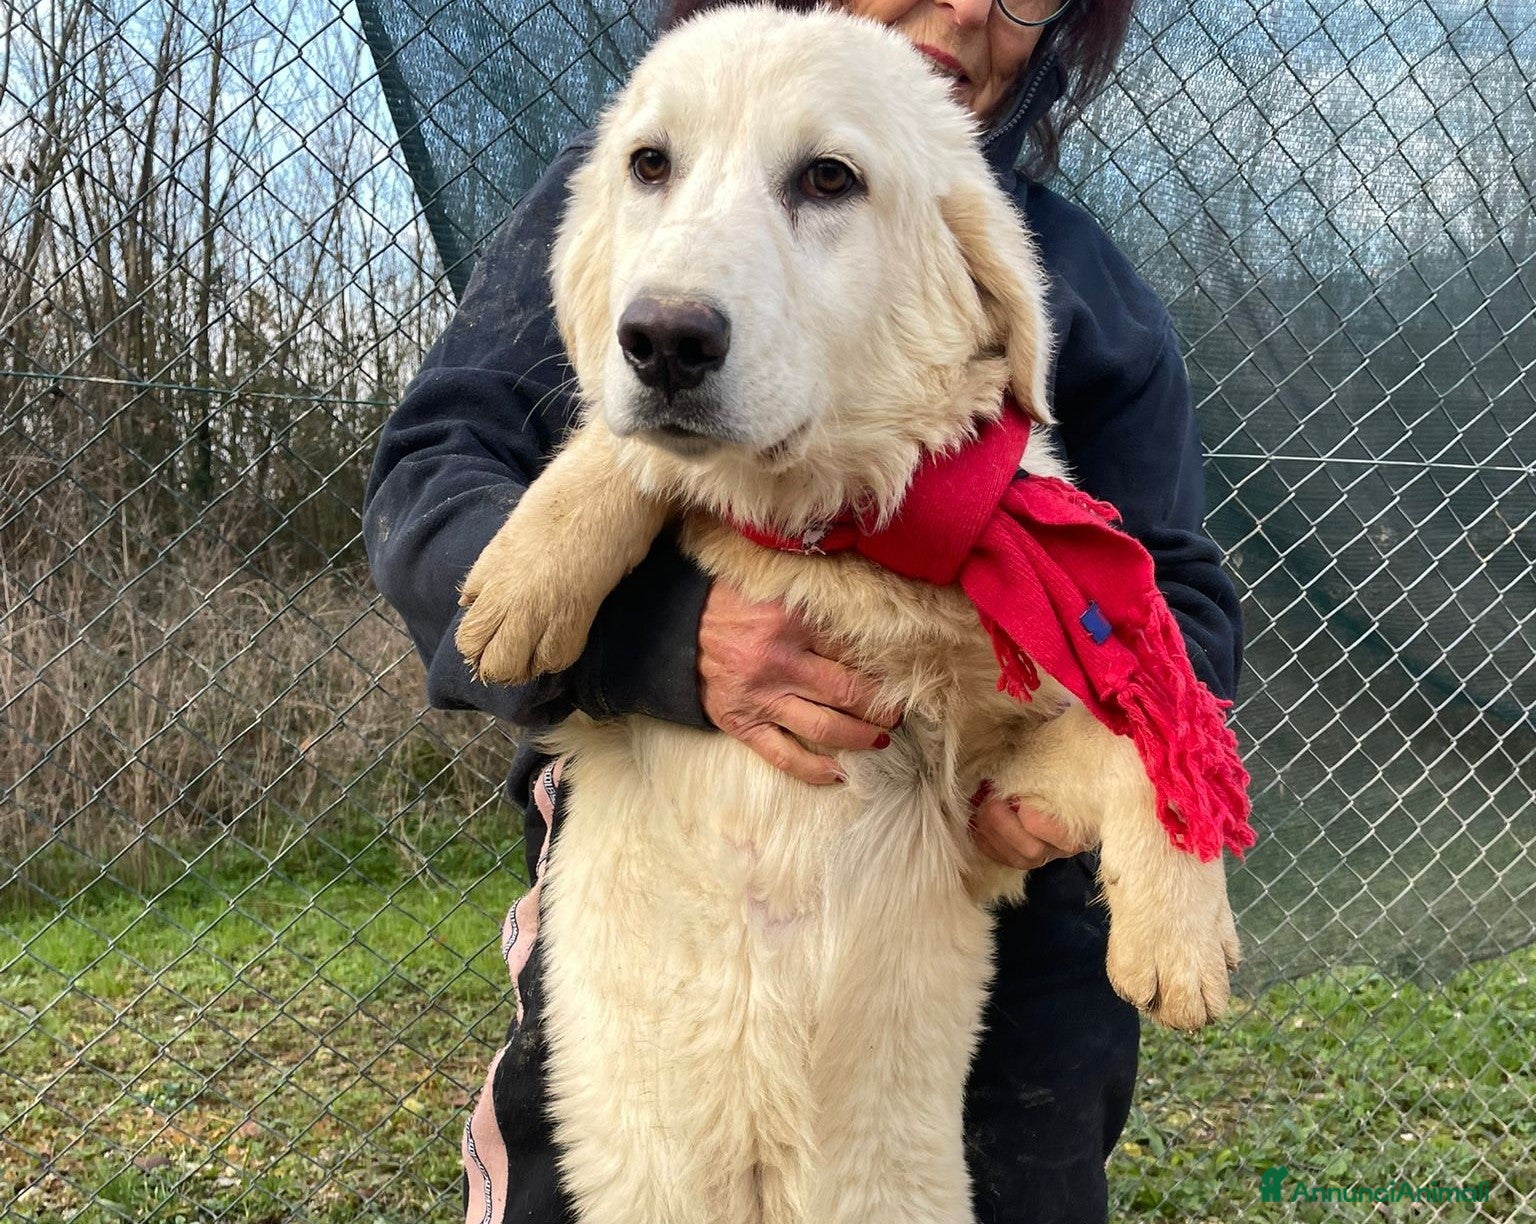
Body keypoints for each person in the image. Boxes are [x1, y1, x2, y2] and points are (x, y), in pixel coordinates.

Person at [363, 0, 1244, 1219]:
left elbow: (1174, 604)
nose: (965, 8)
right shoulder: (624, 187)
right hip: (646, 953)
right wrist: (672, 641)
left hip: (989, 960)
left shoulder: (1076, 281)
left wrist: (1061, 774)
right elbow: (438, 478)